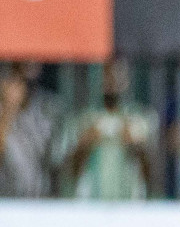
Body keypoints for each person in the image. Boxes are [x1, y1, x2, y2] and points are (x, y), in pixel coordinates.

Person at [53, 59, 157, 200]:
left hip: (130, 207)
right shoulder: (83, 119)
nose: (112, 81)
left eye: (118, 74)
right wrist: (84, 145)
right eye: (107, 75)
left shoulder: (141, 119)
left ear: (127, 80)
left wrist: (136, 145)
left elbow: (154, 173)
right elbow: (65, 170)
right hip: (90, 206)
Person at [0, 62, 57, 197]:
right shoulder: (4, 112)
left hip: (40, 203)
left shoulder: (47, 108)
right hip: (7, 203)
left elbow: (55, 165)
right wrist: (8, 111)